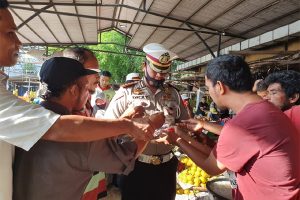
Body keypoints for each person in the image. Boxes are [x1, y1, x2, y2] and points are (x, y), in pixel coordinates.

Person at [0, 2, 154, 199]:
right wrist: (139, 126)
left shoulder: (31, 114)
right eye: (10, 33)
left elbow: (85, 130)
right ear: (74, 88)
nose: (92, 89)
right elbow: (123, 156)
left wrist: (124, 120)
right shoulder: (67, 129)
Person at [13, 57, 154, 200]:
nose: (89, 94)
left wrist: (124, 119)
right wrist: (152, 125)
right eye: (87, 88)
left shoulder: (27, 117)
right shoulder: (82, 136)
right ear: (74, 90)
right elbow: (127, 156)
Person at [165, 55, 300, 199]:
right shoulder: (268, 110)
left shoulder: (242, 124)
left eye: (208, 87)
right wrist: (199, 138)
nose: (209, 92)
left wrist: (177, 140)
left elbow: (212, 167)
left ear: (220, 87)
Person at [105, 43, 189, 200]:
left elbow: (184, 125)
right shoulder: (127, 92)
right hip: (135, 167)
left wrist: (177, 131)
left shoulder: (174, 93)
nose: (159, 76)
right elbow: (108, 128)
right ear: (144, 65)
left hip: (166, 167)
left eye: (164, 72)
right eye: (155, 70)